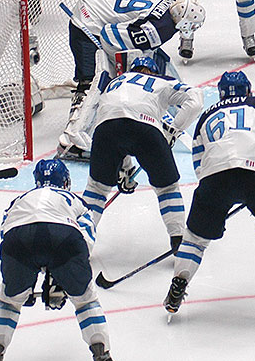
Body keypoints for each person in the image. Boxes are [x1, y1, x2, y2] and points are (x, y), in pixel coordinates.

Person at [164, 71, 255, 321]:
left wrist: (217, 191)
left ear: (220, 94)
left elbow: (199, 163)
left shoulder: (207, 116)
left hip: (214, 179)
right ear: (248, 90)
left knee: (195, 240)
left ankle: (178, 286)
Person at [0, 159, 120, 361]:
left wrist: (24, 286)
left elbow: (6, 233)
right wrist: (60, 279)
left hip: (18, 239)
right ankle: (103, 358)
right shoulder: (75, 200)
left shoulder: (19, 200)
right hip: (64, 235)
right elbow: (86, 242)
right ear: (65, 181)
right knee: (85, 300)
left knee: (8, 300)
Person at [57, 0, 205, 159]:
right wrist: (118, 67)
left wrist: (137, 17)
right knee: (96, 80)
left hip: (99, 0)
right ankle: (71, 140)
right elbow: (108, 35)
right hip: (88, 21)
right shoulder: (156, 30)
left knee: (145, 58)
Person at [81, 56, 203, 253]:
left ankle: (80, 240)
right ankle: (178, 238)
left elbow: (120, 121)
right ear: (153, 71)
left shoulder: (114, 83)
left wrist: (125, 170)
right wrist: (174, 129)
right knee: (167, 188)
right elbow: (195, 99)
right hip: (146, 129)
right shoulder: (162, 81)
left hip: (105, 129)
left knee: (96, 190)